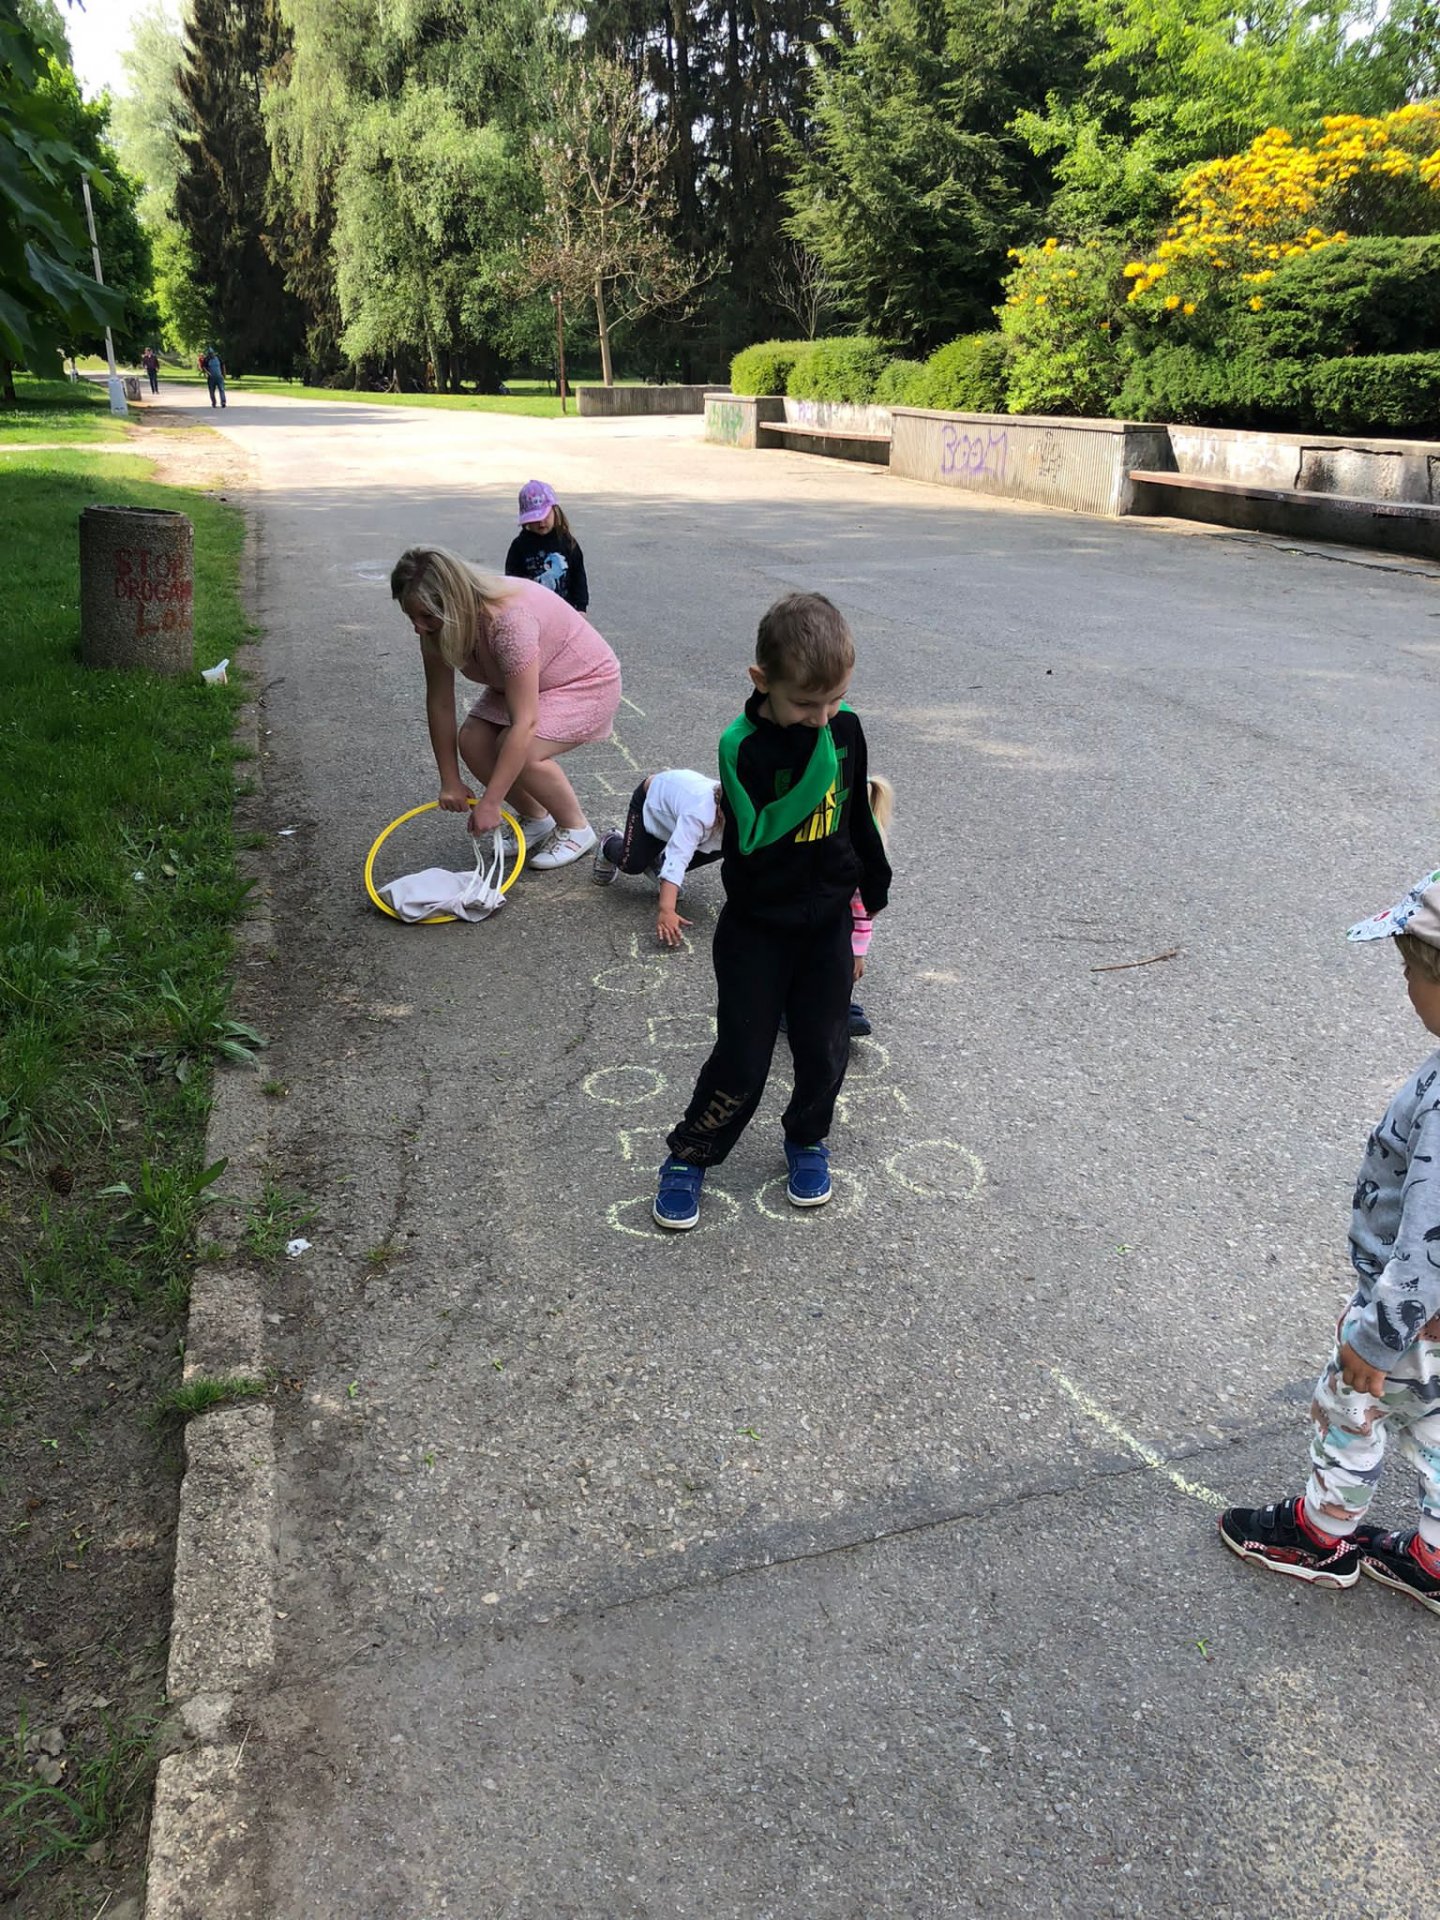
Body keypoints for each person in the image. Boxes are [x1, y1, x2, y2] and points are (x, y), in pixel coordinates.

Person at [1218, 868, 1440, 1616]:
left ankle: (1320, 1536)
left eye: (1412, 970)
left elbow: (1429, 1242)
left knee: (1354, 1406)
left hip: (1412, 1314)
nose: (1406, 985)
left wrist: (1375, 1338)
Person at [651, 592, 891, 1230]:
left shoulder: (844, 727)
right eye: (806, 703)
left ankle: (807, 1137)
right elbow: (756, 837)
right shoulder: (743, 746)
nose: (822, 717)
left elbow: (857, 814)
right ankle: (691, 1153)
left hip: (826, 922)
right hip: (759, 928)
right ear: (762, 681)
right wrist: (817, 756)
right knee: (743, 1058)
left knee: (825, 1047)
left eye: (836, 699)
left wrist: (869, 891)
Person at [390, 546, 620, 870]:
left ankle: (575, 827)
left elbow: (525, 723)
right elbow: (440, 702)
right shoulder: (435, 627)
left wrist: (491, 801)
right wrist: (449, 779)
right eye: (411, 616)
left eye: (426, 616)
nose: (418, 627)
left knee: (523, 749)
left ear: (455, 603)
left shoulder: (510, 621)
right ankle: (536, 817)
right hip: (532, 680)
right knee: (472, 740)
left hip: (584, 681)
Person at [591, 770, 725, 947]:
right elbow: (678, 857)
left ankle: (659, 864)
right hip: (652, 805)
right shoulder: (699, 813)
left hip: (679, 818)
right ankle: (609, 843)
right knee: (631, 863)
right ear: (720, 811)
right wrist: (667, 909)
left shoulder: (745, 817)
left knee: (730, 846)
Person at [504, 481, 589, 612]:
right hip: (532, 611)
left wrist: (581, 607)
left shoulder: (566, 542)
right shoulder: (519, 546)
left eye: (545, 516)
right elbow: (512, 580)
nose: (541, 522)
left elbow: (578, 576)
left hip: (566, 610)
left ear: (555, 511)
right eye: (535, 519)